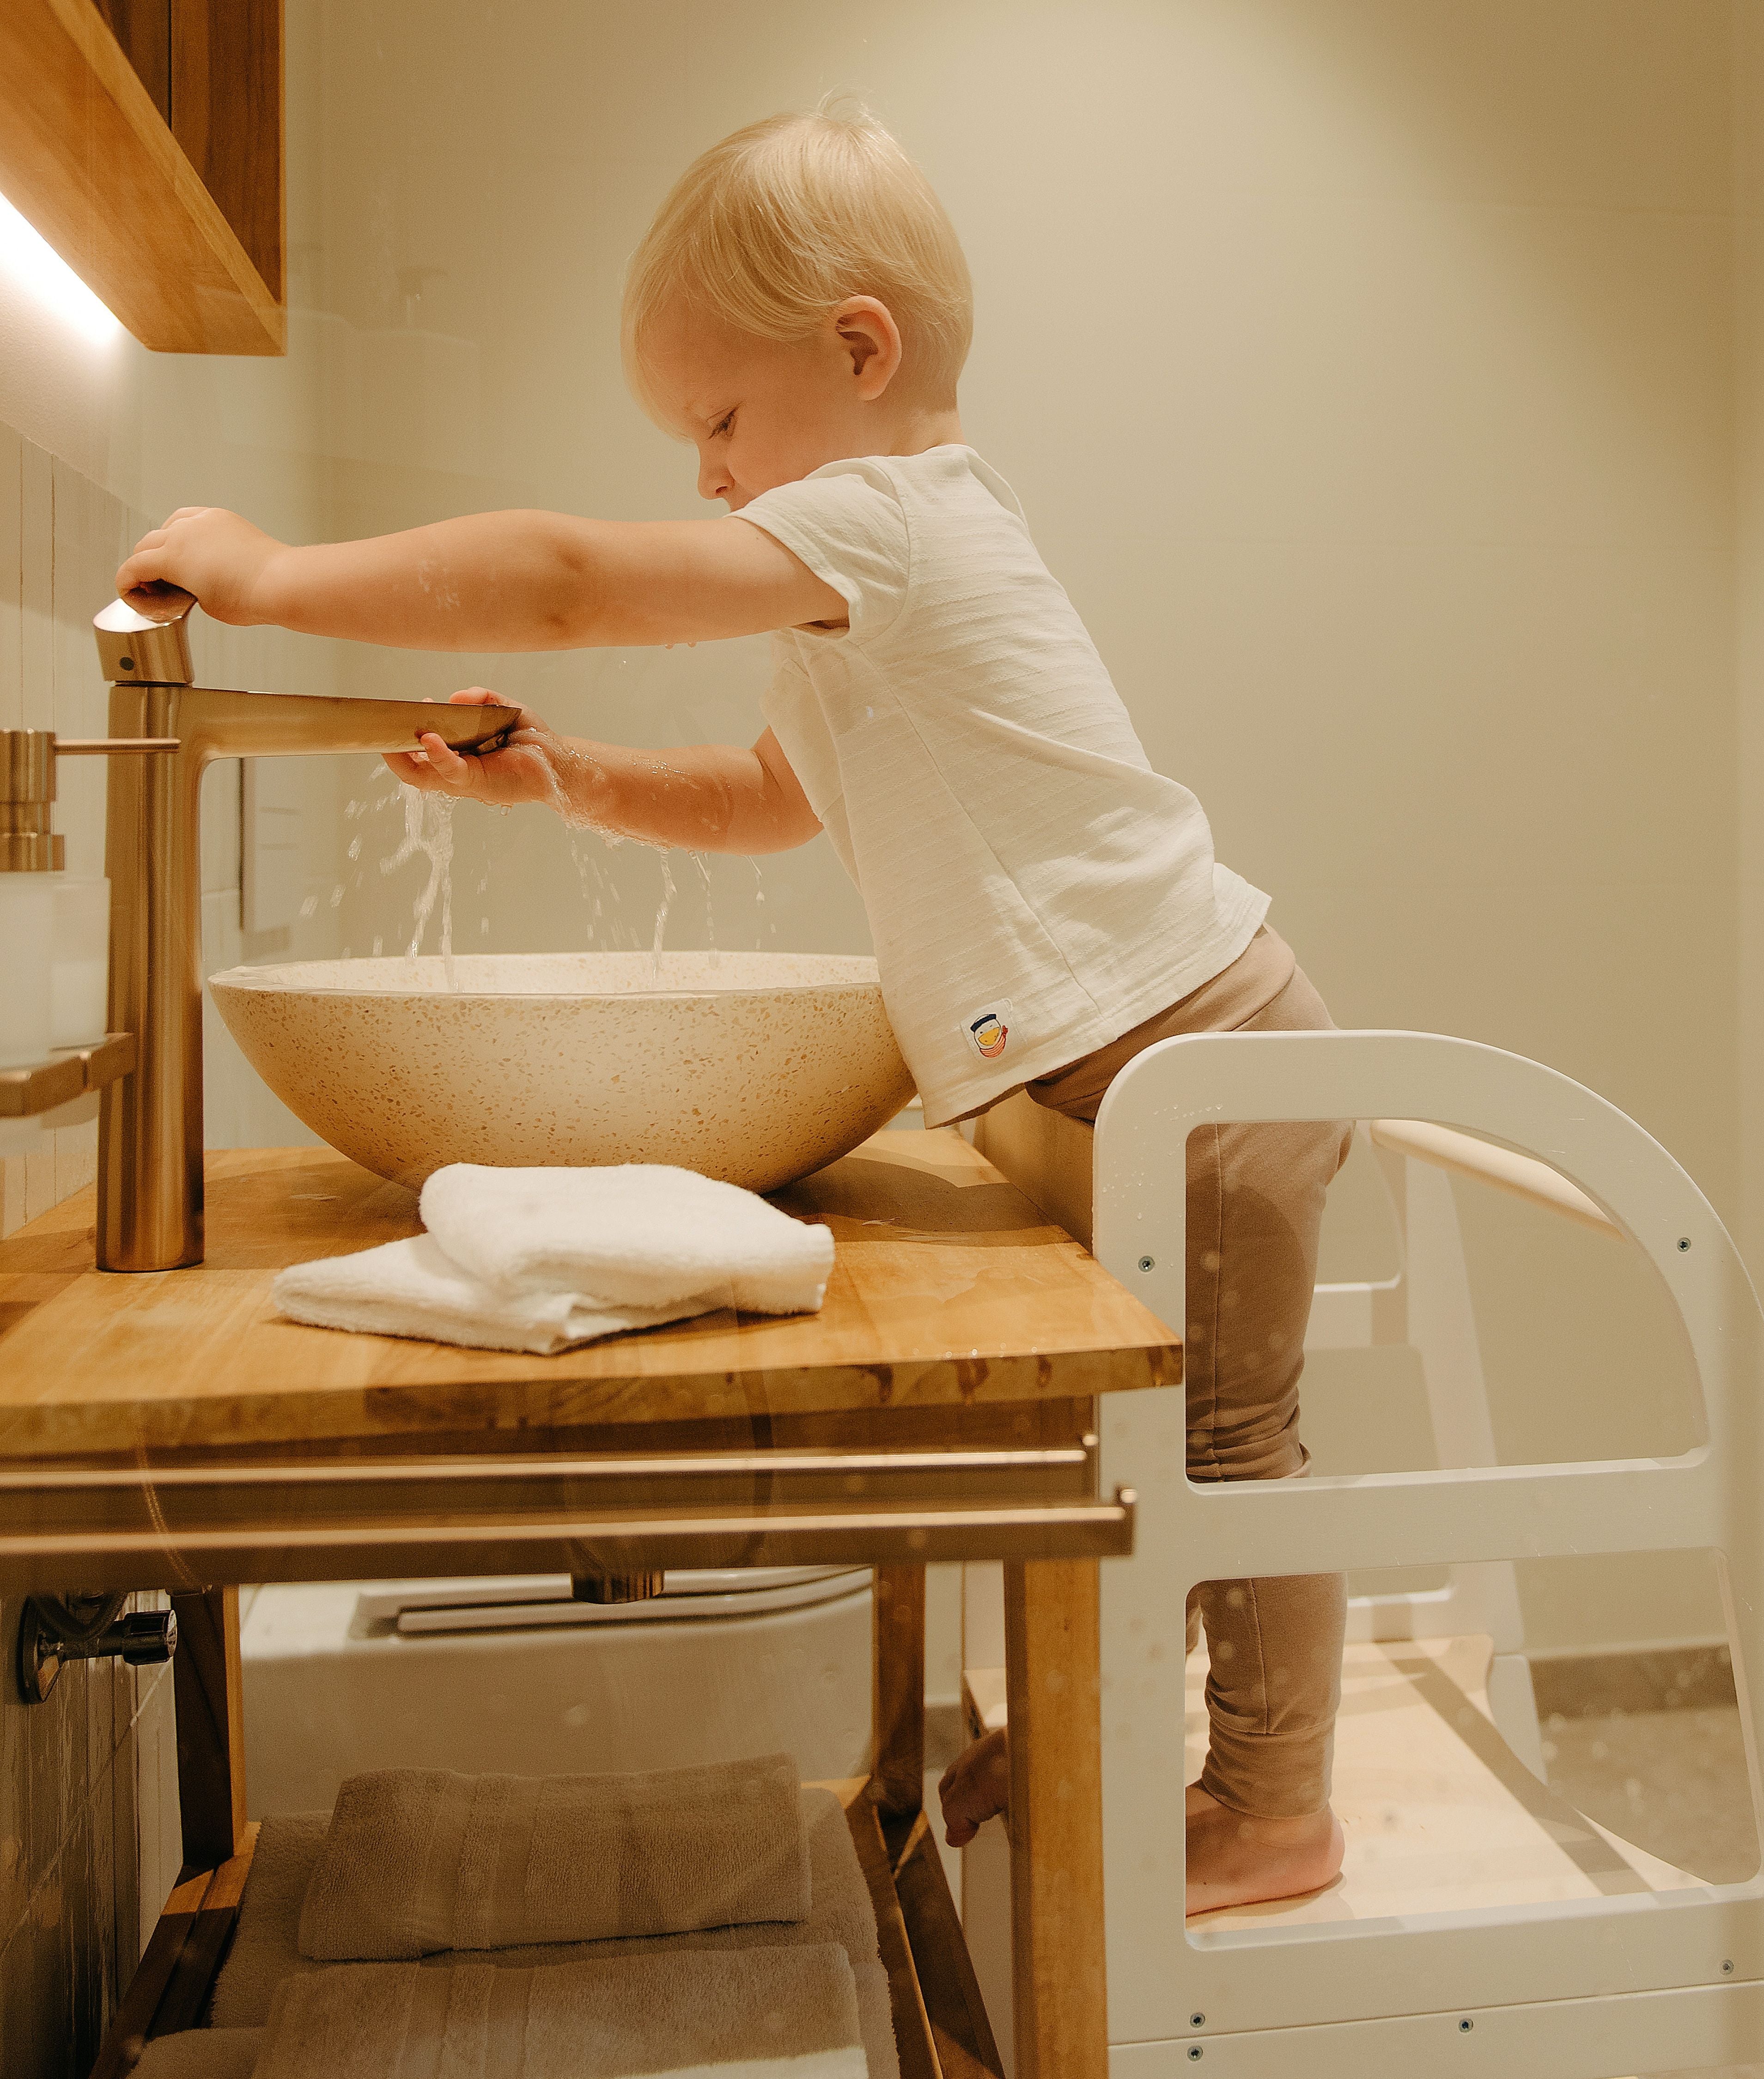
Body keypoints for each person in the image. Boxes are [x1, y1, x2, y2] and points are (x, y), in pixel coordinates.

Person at [115, 98, 1350, 1916]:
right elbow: (784, 797)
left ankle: (1273, 1806)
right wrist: (574, 782)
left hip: (1204, 1062)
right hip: (1135, 1070)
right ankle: (1148, 1745)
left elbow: (565, 579)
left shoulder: (896, 519)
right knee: (1146, 1436)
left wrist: (280, 581)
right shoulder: (878, 567)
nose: (705, 476)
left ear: (858, 352)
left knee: (1231, 1445)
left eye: (715, 422)